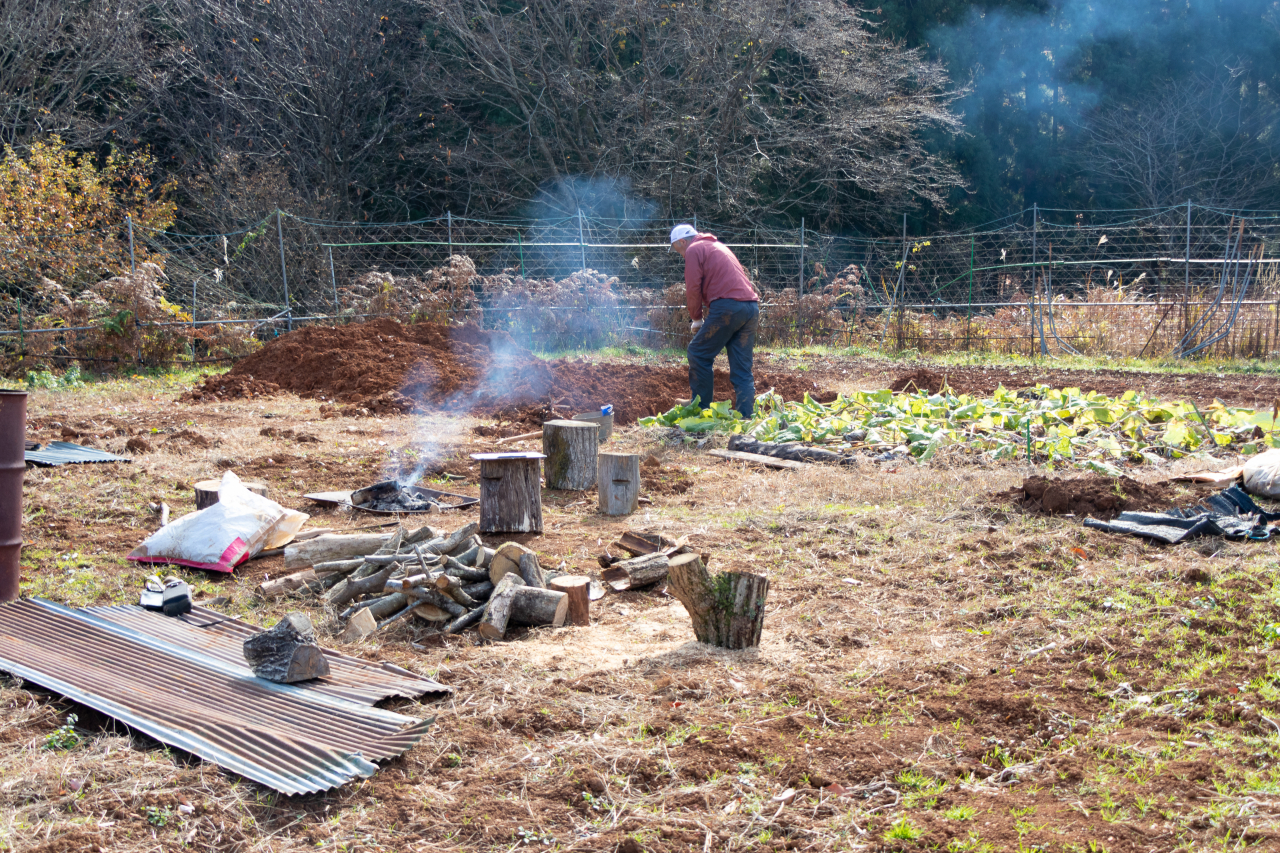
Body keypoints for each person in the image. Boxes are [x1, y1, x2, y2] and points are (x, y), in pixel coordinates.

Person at [669, 223, 760, 417]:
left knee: (698, 353)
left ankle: (699, 407)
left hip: (728, 308)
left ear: (682, 241)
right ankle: (745, 417)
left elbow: (693, 287)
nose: (680, 254)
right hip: (750, 308)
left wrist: (696, 318)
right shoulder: (716, 246)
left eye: (677, 249)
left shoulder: (693, 249)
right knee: (742, 369)